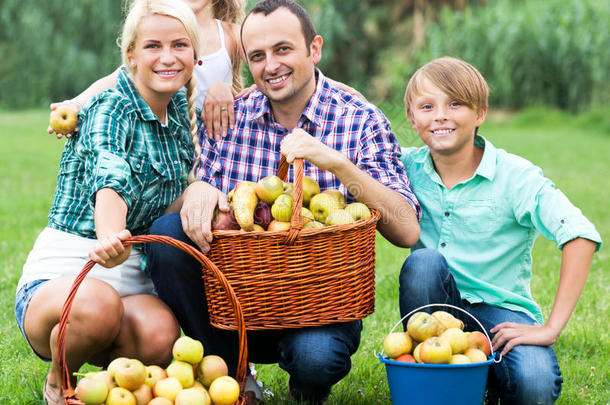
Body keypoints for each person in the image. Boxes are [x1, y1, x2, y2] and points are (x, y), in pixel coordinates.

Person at [146, 0, 421, 403]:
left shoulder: (360, 120)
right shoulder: (229, 118)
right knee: (167, 235)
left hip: (320, 302)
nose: (270, 65)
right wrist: (196, 189)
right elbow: (190, 209)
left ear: (315, 49)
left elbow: (407, 228)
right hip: (237, 303)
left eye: (283, 49)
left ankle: (305, 377)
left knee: (316, 361)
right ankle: (233, 375)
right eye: (257, 56)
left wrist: (339, 165)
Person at [14, 1, 200, 403]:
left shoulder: (178, 108)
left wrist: (201, 192)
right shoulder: (111, 108)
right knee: (98, 303)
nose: (167, 58)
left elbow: (164, 206)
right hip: (64, 284)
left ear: (194, 54)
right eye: (153, 46)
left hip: (131, 287)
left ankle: (106, 387)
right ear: (130, 55)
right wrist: (109, 235)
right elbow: (110, 177)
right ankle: (57, 382)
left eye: (179, 45)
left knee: (161, 333)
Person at [398, 56, 602, 404]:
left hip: (500, 313)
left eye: (456, 103)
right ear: (412, 118)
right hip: (435, 312)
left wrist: (550, 328)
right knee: (423, 264)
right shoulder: (404, 168)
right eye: (427, 106)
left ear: (480, 114)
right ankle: (437, 385)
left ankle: (491, 379)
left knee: (536, 385)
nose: (441, 115)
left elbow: (579, 234)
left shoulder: (515, 176)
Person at [47, 0, 245, 139]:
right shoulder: (158, 33)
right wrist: (75, 104)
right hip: (169, 142)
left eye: (180, 45)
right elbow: (117, 77)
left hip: (218, 142)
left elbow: (270, 80)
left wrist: (226, 90)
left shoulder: (231, 34)